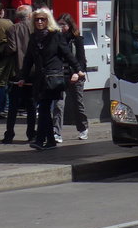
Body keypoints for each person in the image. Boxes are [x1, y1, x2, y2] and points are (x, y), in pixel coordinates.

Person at [18, 8, 82, 150]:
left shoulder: (55, 36)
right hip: (40, 79)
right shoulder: (34, 37)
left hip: (52, 78)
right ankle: (51, 141)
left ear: (48, 21)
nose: (40, 22)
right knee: (45, 109)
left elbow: (67, 54)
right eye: (37, 19)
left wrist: (78, 69)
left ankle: (40, 140)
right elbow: (28, 59)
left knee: (44, 107)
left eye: (43, 19)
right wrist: (23, 77)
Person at [2, 5, 35, 144]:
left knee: (13, 106)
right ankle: (31, 133)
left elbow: (12, 49)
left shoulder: (12, 29)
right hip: (32, 71)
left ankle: (9, 134)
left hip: (16, 71)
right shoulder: (34, 28)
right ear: (29, 16)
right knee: (31, 105)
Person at [54, 13, 90, 141]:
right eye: (59, 24)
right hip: (60, 75)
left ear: (69, 25)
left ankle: (83, 128)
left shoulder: (77, 39)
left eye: (63, 24)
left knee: (77, 104)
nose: (60, 27)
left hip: (75, 75)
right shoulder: (56, 39)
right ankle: (57, 132)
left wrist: (77, 72)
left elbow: (81, 59)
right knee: (59, 104)